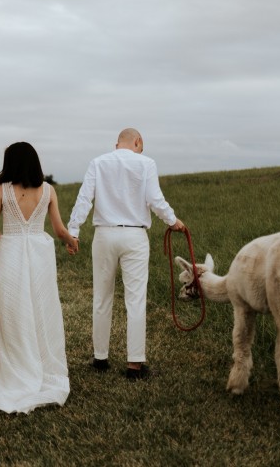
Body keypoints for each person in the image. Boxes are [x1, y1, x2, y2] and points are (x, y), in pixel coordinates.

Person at [67, 128, 185, 380]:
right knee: (135, 299)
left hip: (104, 235)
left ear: (117, 143)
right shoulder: (146, 163)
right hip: (134, 236)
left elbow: (84, 198)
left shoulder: (98, 163)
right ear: (138, 142)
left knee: (101, 296)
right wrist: (172, 220)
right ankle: (134, 364)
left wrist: (73, 231)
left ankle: (100, 357)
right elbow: (155, 199)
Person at [0, 141, 78, 413]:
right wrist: (71, 241)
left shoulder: (1, 190)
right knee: (42, 307)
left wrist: (8, 238)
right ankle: (43, 366)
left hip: (10, 254)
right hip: (40, 254)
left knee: (12, 311)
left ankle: (16, 368)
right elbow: (59, 230)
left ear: (10, 163)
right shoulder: (49, 190)